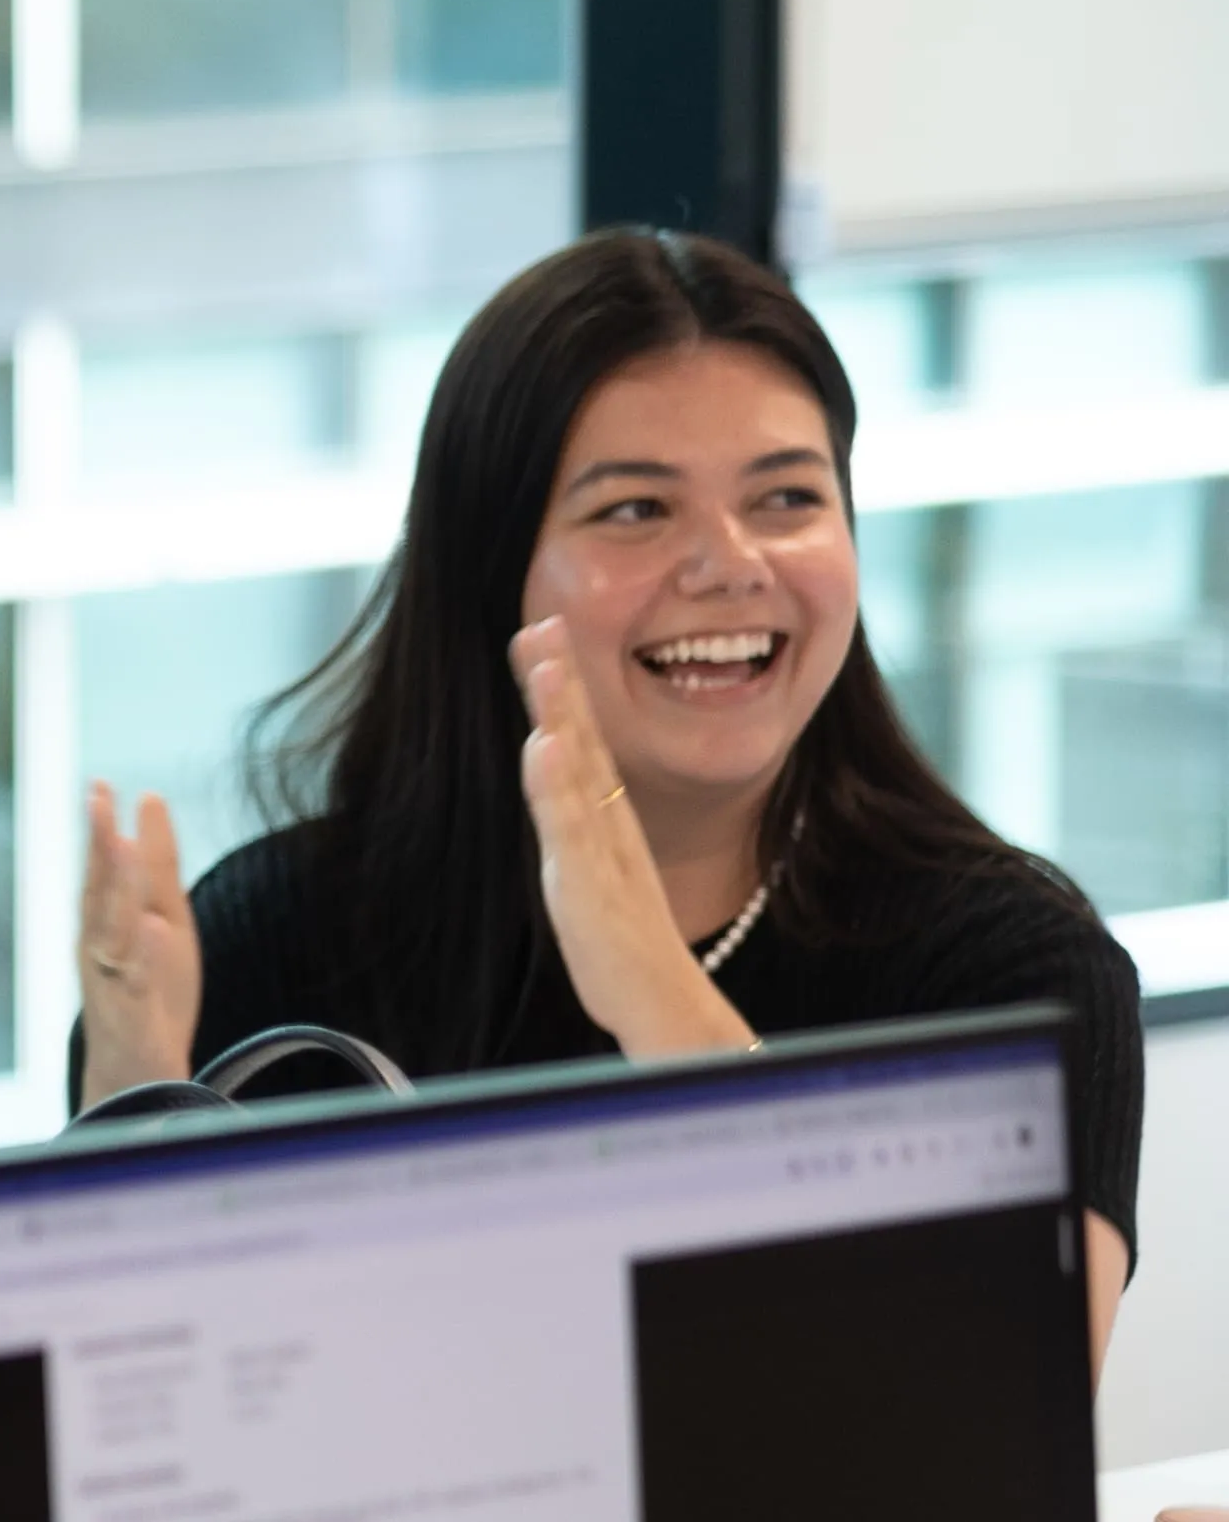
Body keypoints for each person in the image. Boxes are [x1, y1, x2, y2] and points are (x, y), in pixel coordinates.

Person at [76, 225, 1139, 1365]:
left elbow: (999, 1403)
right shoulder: (282, 941)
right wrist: (133, 1095)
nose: (730, 563)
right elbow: (146, 1425)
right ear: (497, 573)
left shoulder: (1012, 971)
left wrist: (657, 997)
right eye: (637, 510)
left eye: (786, 497)